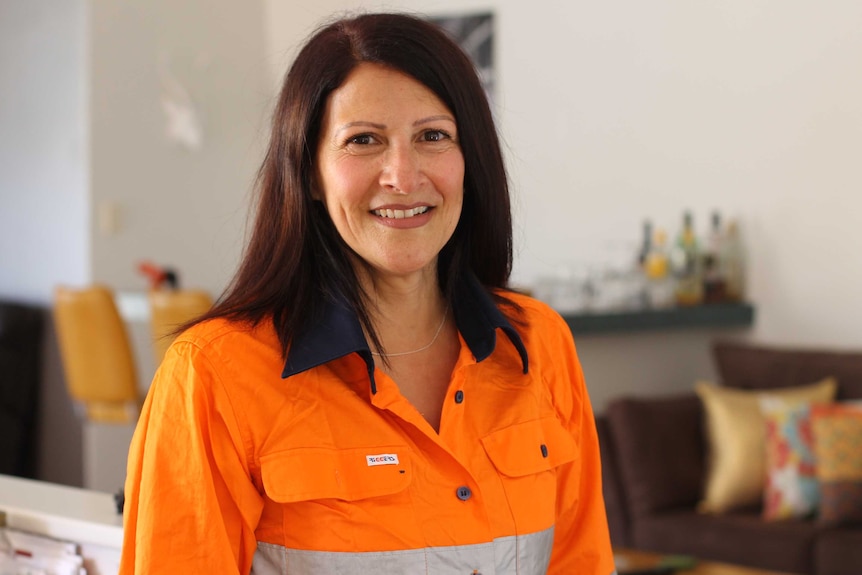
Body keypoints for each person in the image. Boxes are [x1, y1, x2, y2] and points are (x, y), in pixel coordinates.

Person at [119, 11, 615, 575]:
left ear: (469, 160)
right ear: (308, 172)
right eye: (363, 141)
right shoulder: (213, 375)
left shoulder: (540, 343)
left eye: (433, 136)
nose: (402, 176)